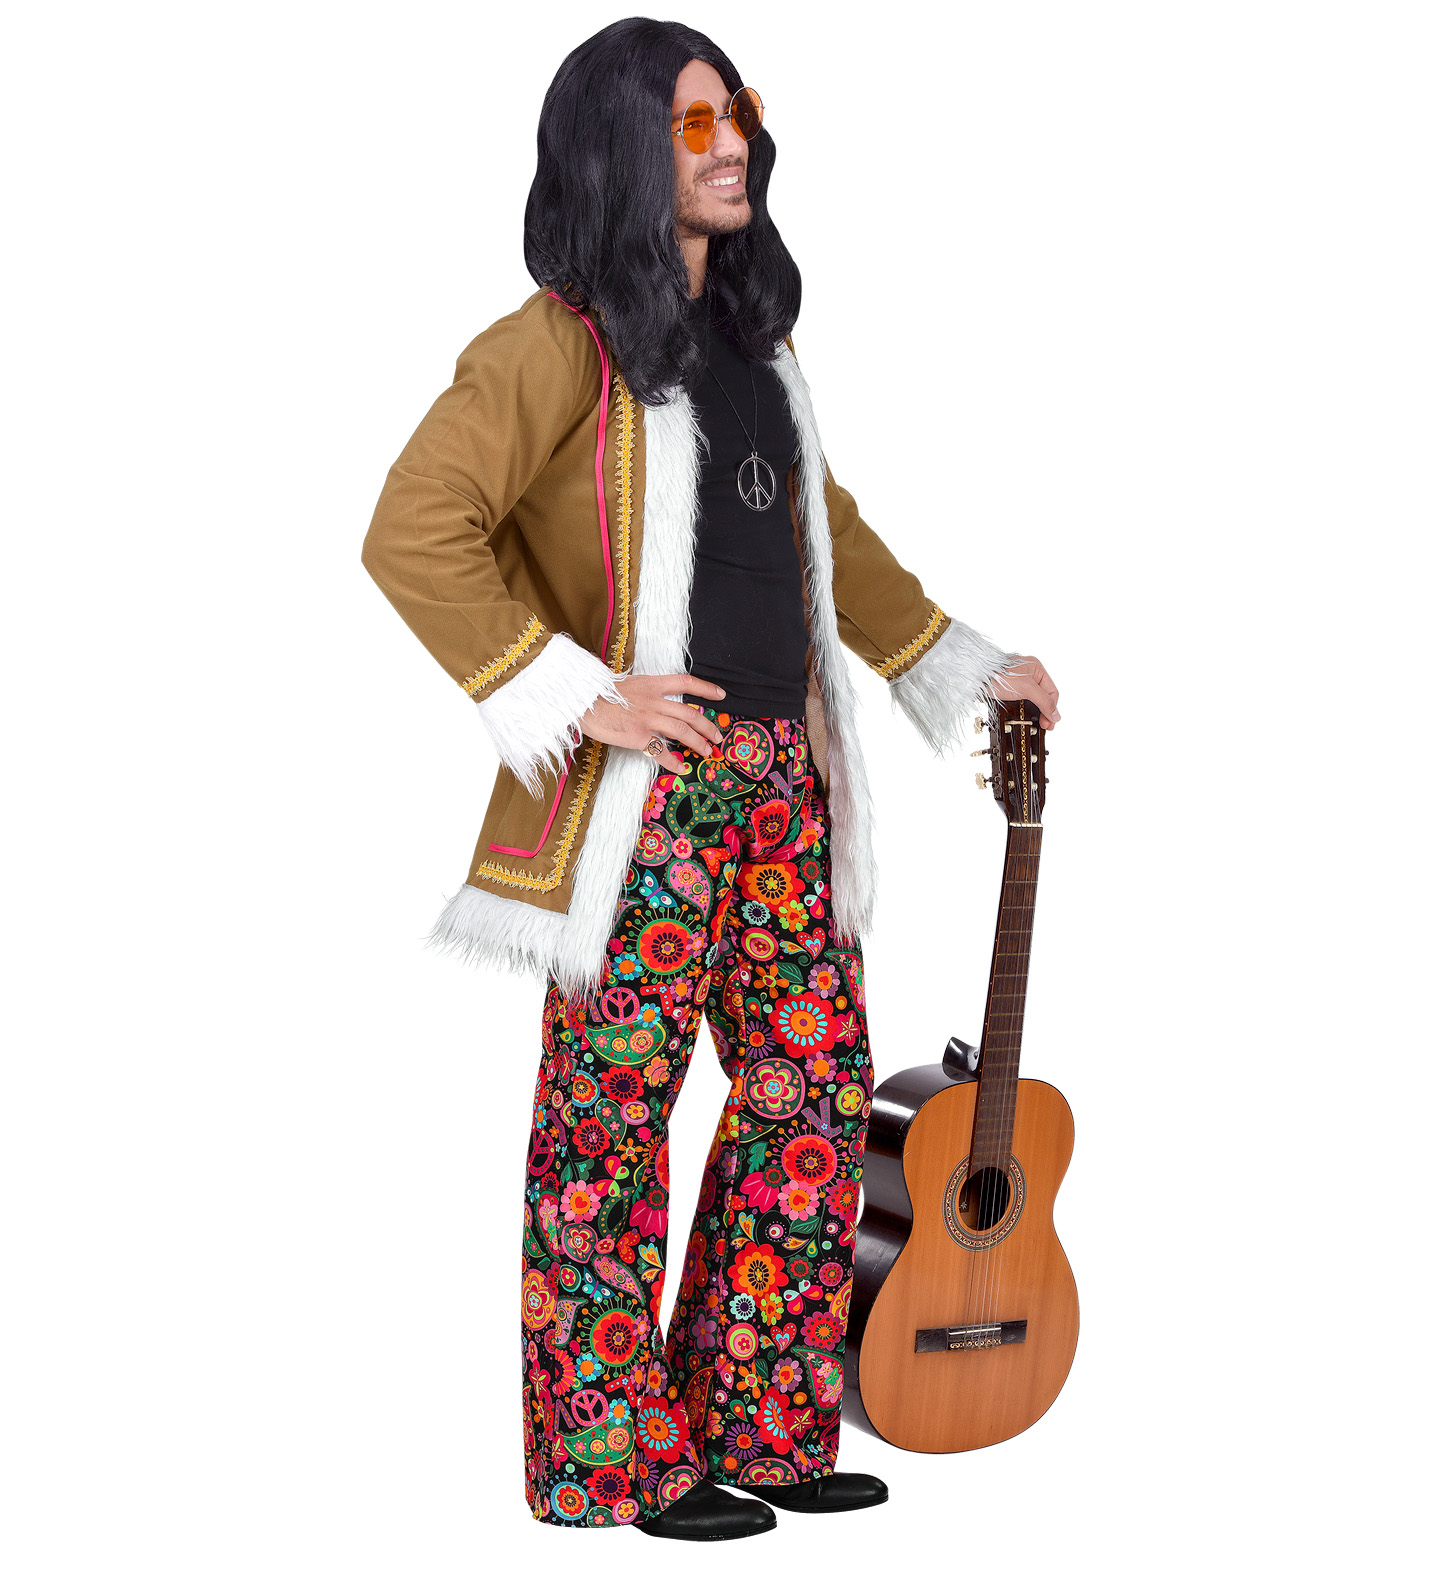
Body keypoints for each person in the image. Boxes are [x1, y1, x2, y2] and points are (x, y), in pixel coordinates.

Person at [361, 16, 1060, 1541]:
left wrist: (960, 661)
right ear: (621, 144)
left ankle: (757, 1415)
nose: (732, 142)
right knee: (609, 1124)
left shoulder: (759, 348)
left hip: (786, 786)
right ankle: (611, 1457)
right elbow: (414, 524)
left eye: (734, 111)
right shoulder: (552, 343)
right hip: (650, 798)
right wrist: (576, 695)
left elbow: (829, 539)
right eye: (692, 124)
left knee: (811, 1097)